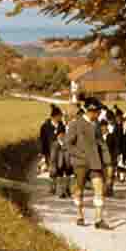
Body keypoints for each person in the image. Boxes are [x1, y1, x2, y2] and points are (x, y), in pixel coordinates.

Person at [66, 98, 112, 229]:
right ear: (90, 111)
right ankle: (79, 215)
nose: (98, 115)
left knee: (99, 188)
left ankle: (98, 220)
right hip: (80, 163)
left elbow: (102, 144)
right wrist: (81, 155)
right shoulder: (75, 124)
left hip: (95, 163)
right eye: (97, 112)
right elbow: (68, 144)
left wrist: (108, 162)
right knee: (79, 191)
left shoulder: (96, 125)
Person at [39, 104, 65, 192]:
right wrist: (43, 153)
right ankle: (52, 187)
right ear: (56, 116)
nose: (61, 117)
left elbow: (63, 138)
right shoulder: (45, 126)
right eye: (60, 116)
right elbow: (42, 140)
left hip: (60, 151)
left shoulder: (62, 126)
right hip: (49, 151)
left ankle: (60, 188)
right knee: (52, 169)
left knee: (60, 168)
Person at [49, 129, 73, 198]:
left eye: (63, 135)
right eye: (60, 135)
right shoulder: (55, 144)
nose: (62, 136)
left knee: (68, 177)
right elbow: (53, 156)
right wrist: (53, 165)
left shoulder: (67, 143)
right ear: (57, 136)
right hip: (59, 164)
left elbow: (71, 152)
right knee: (60, 178)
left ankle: (67, 189)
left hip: (67, 163)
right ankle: (61, 192)